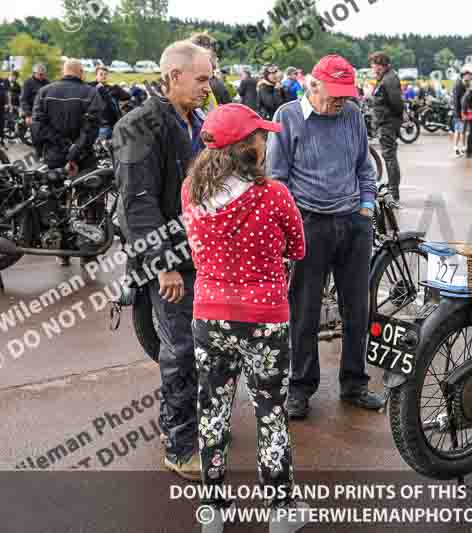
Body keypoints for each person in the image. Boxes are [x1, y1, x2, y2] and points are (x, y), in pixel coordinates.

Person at [182, 103, 308, 533]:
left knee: (212, 408)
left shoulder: (190, 191)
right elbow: (298, 248)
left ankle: (212, 509)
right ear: (248, 148)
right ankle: (281, 510)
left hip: (209, 314)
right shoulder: (273, 195)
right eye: (261, 136)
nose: (266, 141)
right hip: (264, 317)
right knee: (270, 409)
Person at [115, 40, 212, 480]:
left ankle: (192, 424)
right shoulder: (139, 125)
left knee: (204, 347)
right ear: (174, 76)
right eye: (202, 79)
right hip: (167, 261)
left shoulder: (199, 121)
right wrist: (165, 264)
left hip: (201, 254)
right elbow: (138, 204)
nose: (209, 88)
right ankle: (179, 446)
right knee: (181, 351)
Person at [267, 54, 382, 420]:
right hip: (310, 224)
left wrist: (366, 205)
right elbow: (277, 178)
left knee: (357, 309)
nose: (340, 102)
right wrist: (290, 225)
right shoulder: (286, 117)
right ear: (311, 85)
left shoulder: (352, 115)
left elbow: (365, 164)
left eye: (346, 95)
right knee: (304, 311)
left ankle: (354, 383)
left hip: (353, 221)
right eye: (335, 94)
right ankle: (300, 387)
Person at [32, 58, 103, 173]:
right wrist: (75, 150)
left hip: (54, 156)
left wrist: (43, 150)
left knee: (55, 190)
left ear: (63, 72)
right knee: (88, 190)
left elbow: (37, 127)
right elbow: (92, 127)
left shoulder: (44, 92)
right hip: (83, 158)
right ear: (81, 72)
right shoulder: (91, 93)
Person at [369, 51, 404, 203]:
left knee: (389, 157)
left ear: (381, 65)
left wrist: (390, 120)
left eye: (374, 65)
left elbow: (397, 103)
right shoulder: (386, 77)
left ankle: (393, 192)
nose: (372, 68)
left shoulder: (389, 79)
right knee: (389, 156)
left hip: (387, 123)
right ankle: (392, 188)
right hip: (386, 122)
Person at [90, 65, 131, 140]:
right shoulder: (91, 87)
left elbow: (128, 96)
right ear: (96, 76)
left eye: (105, 74)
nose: (103, 76)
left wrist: (117, 89)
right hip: (100, 125)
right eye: (101, 74)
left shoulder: (112, 88)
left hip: (114, 124)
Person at [451, 69, 472, 157]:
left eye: (470, 75)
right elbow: (456, 101)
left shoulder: (465, 84)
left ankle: (463, 148)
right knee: (459, 131)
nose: (470, 77)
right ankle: (456, 148)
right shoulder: (458, 85)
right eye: (468, 75)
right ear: (463, 76)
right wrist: (460, 113)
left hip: (463, 112)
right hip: (459, 112)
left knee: (462, 131)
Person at [0, 75, 8, 147]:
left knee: (1, 124)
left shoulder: (2, 81)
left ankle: (2, 140)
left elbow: (5, 94)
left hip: (1, 108)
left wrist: (6, 103)